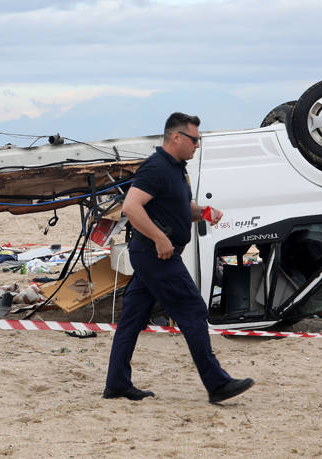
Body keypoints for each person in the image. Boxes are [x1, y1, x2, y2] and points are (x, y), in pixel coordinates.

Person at [103, 112, 254, 403]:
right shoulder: (156, 168)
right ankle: (217, 383)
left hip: (155, 254)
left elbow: (180, 206)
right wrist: (160, 238)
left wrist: (204, 213)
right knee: (193, 311)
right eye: (195, 140)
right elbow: (132, 208)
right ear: (176, 137)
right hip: (157, 255)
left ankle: (117, 383)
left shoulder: (177, 169)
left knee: (132, 319)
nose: (198, 145)